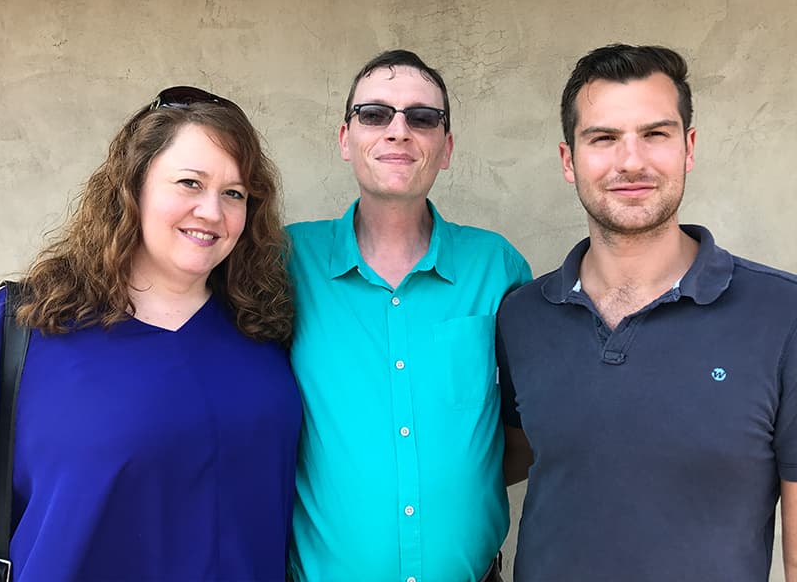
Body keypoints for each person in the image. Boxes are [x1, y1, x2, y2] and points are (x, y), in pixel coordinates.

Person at [497, 43, 797, 582]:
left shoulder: (783, 315)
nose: (631, 161)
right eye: (604, 138)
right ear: (569, 161)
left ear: (689, 147)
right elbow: (509, 455)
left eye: (655, 134)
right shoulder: (522, 317)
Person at [0, 86, 302, 581]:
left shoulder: (264, 330)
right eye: (189, 182)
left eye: (234, 193)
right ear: (132, 186)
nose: (212, 211)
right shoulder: (26, 325)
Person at [286, 50, 531, 582]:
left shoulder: (498, 267)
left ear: (445, 149)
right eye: (375, 114)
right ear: (344, 138)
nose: (398, 131)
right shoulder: (285, 262)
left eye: (422, 118)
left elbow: (521, 432)